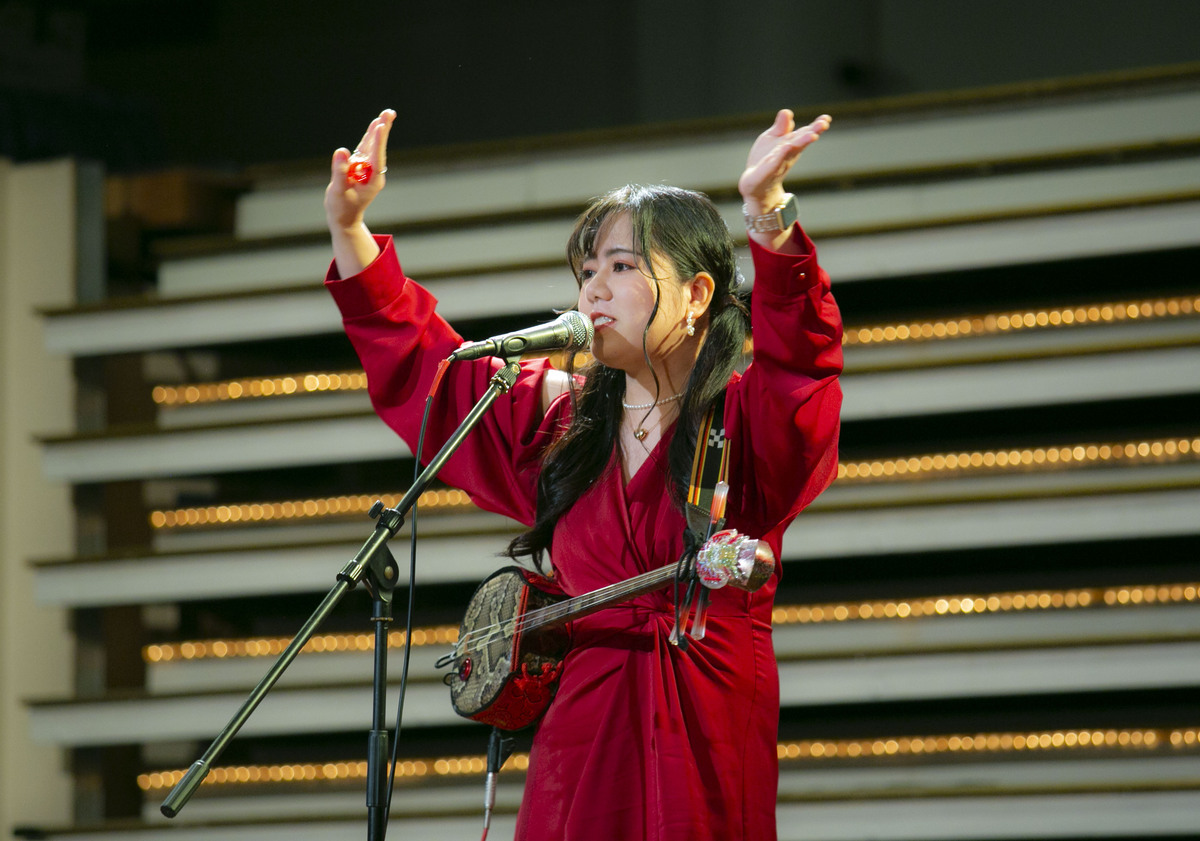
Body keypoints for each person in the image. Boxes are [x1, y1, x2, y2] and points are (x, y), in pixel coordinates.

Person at [323, 107, 843, 841]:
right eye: (587, 271)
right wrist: (350, 229)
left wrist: (768, 216)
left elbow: (801, 367)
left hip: (699, 730)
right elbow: (426, 369)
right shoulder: (559, 422)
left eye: (622, 267)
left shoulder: (742, 421)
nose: (594, 288)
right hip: (578, 746)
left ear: (697, 295)